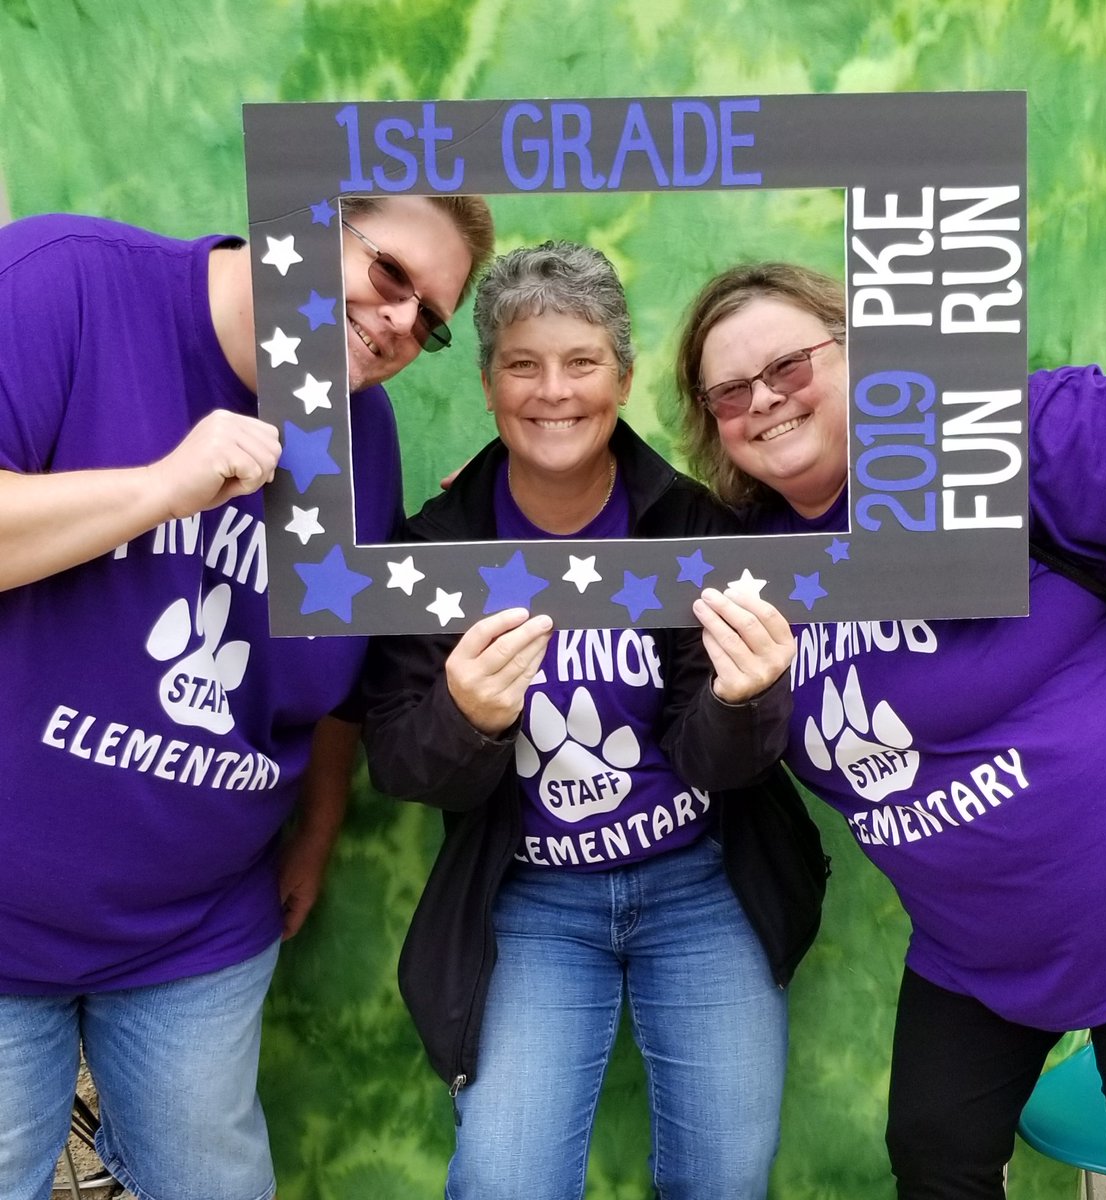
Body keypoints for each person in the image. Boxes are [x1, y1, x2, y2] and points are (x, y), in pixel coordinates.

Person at [0, 192, 494, 1200]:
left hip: (198, 930)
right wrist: (161, 488)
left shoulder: (362, 429)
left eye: (431, 319)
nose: (402, 322)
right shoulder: (63, 280)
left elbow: (333, 670)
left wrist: (315, 827)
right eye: (390, 274)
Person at [672, 261, 1106, 1200]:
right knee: (934, 1154)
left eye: (789, 366)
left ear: (861, 354)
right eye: (728, 392)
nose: (762, 400)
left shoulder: (990, 440)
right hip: (977, 951)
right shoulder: (742, 565)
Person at [361, 241, 828, 1200]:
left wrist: (744, 701)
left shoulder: (692, 525)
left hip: (701, 884)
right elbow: (402, 764)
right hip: (533, 902)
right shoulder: (433, 549)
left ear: (620, 377)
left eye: (580, 363)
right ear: (488, 384)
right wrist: (464, 718)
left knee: (725, 1177)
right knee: (504, 1179)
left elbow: (722, 760)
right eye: (522, 365)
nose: (552, 391)